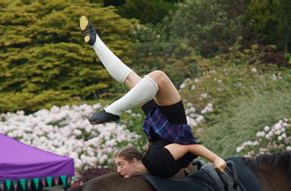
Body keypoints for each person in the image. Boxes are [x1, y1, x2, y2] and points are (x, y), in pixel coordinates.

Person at [80, 16, 226, 179]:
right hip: (171, 128)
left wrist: (213, 159)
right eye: (119, 165)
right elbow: (187, 145)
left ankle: (95, 43)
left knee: (136, 79)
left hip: (165, 128)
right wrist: (216, 159)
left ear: (134, 160)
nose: (119, 171)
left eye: (121, 164)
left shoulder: (153, 161)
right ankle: (113, 107)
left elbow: (183, 146)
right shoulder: (155, 164)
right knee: (155, 77)